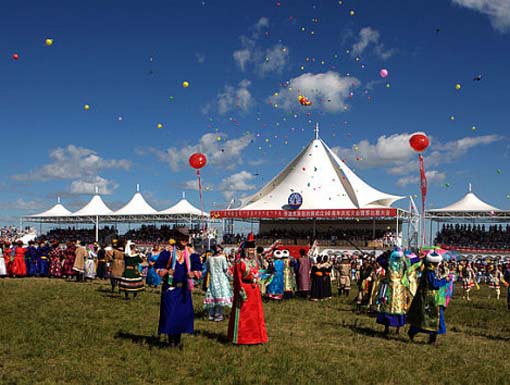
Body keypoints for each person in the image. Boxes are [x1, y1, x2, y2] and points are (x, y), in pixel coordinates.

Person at [156, 229, 202, 348]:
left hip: (184, 291)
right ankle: (171, 341)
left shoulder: (191, 253)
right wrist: (166, 271)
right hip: (170, 289)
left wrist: (194, 273)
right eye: (182, 237)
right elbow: (158, 265)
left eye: (187, 238)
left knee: (182, 315)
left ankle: (178, 340)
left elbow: (199, 267)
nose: (185, 240)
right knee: (170, 314)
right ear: (176, 237)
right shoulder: (168, 252)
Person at [228, 235, 268, 345]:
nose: (251, 251)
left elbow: (257, 273)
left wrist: (258, 281)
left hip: (254, 291)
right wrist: (241, 291)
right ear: (245, 250)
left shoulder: (255, 262)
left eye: (253, 249)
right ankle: (241, 339)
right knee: (244, 315)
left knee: (255, 315)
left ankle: (256, 338)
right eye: (249, 249)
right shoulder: (239, 262)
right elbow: (237, 279)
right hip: (244, 290)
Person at [407, 251, 451, 345]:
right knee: (431, 318)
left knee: (425, 318)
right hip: (429, 299)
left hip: (426, 298)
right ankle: (428, 338)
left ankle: (430, 338)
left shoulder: (427, 271)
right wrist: (445, 280)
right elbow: (434, 285)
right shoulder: (430, 272)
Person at [376, 248, 408, 336]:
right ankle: (398, 329)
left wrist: (385, 254)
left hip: (390, 288)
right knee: (399, 308)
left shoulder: (388, 264)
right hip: (399, 289)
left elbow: (378, 259)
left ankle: (386, 328)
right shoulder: (404, 264)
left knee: (387, 306)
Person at [203, 245, 233, 321]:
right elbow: (225, 269)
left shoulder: (209, 259)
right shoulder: (222, 258)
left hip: (213, 278)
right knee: (221, 295)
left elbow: (208, 269)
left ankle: (211, 314)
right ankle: (218, 314)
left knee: (213, 295)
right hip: (221, 278)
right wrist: (230, 277)